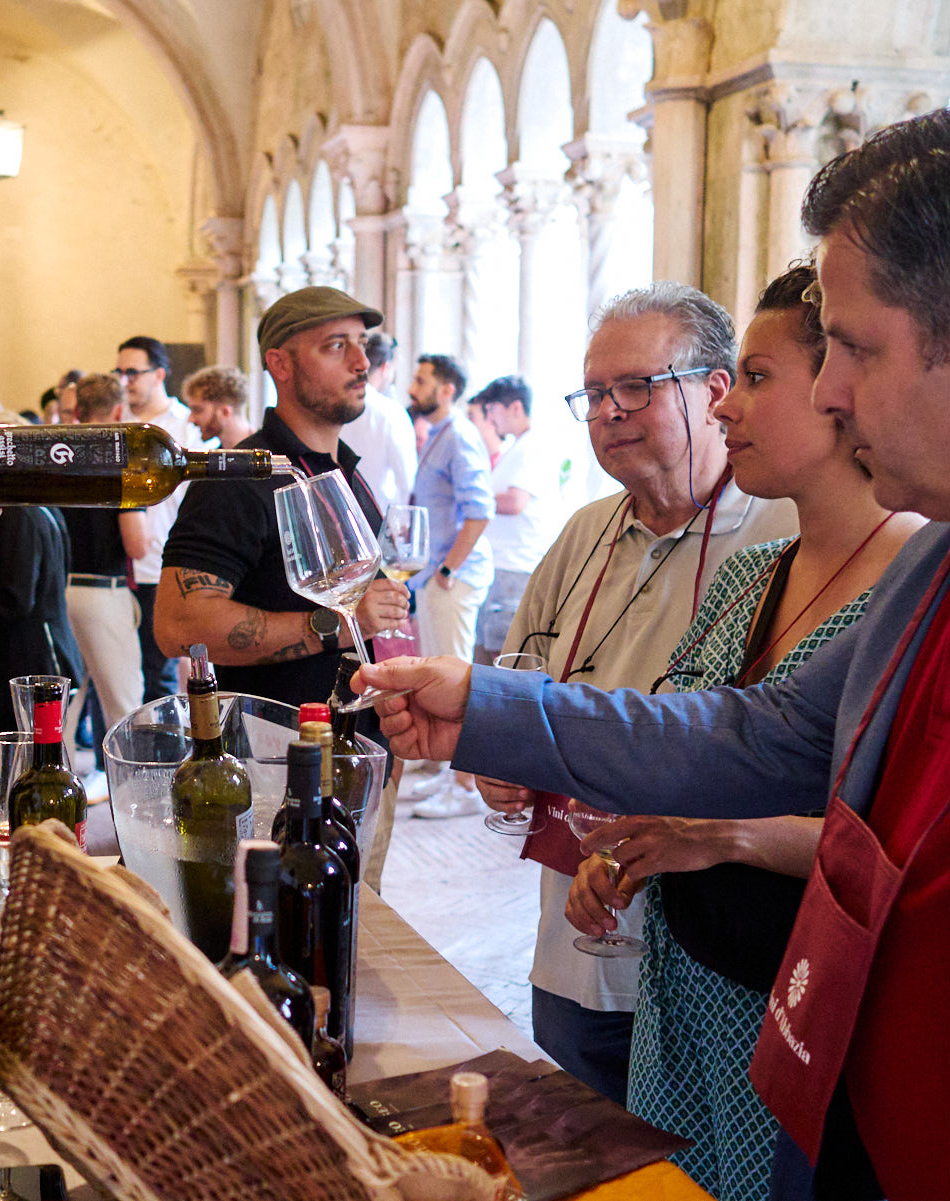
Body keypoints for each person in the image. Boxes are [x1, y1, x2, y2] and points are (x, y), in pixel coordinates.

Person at [358, 112, 950, 1201]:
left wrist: (723, 837)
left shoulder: (887, 560)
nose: (826, 392)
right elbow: (750, 734)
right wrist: (483, 706)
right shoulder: (929, 576)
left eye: (852, 349)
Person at [559, 266, 921, 1201]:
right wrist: (637, 847)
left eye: (755, 379)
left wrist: (716, 837)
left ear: (843, 392)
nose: (726, 409)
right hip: (686, 988)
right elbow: (696, 749)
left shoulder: (909, 592)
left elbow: (894, 845)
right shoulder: (748, 573)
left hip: (803, 1005)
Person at [395, 282, 800, 1103]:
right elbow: (520, 682)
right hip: (569, 932)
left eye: (636, 388)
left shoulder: (785, 534)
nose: (609, 411)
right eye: (594, 393)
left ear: (715, 390)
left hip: (709, 954)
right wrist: (501, 762)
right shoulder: (583, 533)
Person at [157, 286, 409, 709]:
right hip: (282, 752)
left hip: (361, 742)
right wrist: (338, 625)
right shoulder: (240, 478)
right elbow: (177, 625)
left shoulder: (342, 468)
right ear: (280, 364)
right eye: (336, 346)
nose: (362, 363)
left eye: (362, 345)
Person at [0, 412, 85, 733]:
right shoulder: (36, 503)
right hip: (38, 656)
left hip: (27, 666)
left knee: (23, 768)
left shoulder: (17, 514)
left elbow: (12, 601)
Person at [406, 352, 495, 817]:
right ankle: (444, 775)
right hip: (433, 574)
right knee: (439, 672)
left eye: (421, 380)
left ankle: (464, 788)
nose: (412, 386)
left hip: (451, 578)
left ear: (446, 390)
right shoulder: (438, 434)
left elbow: (480, 511)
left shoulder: (460, 436)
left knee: (458, 678)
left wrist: (447, 571)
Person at [116, 334, 204, 701]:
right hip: (117, 570)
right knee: (126, 680)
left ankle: (164, 757)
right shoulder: (118, 423)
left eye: (133, 373)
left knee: (160, 680)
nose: (125, 382)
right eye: (119, 373)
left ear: (159, 374)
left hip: (162, 567)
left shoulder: (187, 426)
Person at [62, 374, 150, 740]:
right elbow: (137, 545)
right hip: (102, 592)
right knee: (125, 708)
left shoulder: (58, 458)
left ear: (78, 410)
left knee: (64, 712)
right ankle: (129, 795)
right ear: (118, 410)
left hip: (60, 592)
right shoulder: (121, 464)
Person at [475, 376, 566, 660]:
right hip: (504, 565)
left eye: (493, 411)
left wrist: (471, 504)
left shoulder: (531, 447)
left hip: (514, 566)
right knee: (490, 649)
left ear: (515, 408)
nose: (490, 420)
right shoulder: (518, 446)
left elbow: (515, 501)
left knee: (505, 654)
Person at [339, 330, 419, 511]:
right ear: (386, 367)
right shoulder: (392, 413)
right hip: (379, 516)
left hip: (339, 513)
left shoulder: (336, 406)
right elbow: (408, 481)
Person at [184, 364, 255, 446]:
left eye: (198, 410)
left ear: (224, 412)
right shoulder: (216, 456)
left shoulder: (267, 454)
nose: (191, 419)